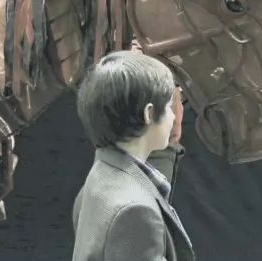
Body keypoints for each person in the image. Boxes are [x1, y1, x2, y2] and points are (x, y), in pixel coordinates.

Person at [71, 51, 194, 261]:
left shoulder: (101, 173)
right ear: (149, 114)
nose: (174, 115)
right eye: (168, 105)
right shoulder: (135, 212)